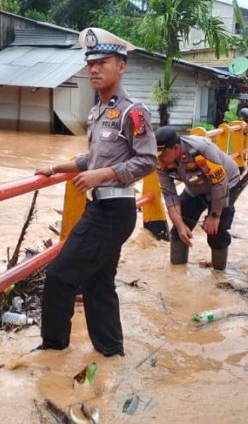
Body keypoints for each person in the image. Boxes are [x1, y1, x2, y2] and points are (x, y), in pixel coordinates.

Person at [34, 27, 156, 357]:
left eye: (102, 62)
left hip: (114, 211)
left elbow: (147, 160)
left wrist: (103, 174)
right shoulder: (97, 111)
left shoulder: (134, 112)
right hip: (99, 209)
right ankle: (111, 352)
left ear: (122, 66)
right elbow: (94, 158)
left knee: (59, 275)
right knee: (98, 283)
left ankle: (52, 351)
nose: (94, 69)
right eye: (90, 63)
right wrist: (57, 168)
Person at [154, 127, 243, 271]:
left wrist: (215, 215)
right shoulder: (160, 162)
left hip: (226, 184)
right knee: (178, 232)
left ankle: (219, 276)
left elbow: (219, 183)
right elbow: (170, 195)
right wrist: (180, 225)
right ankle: (177, 274)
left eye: (162, 154)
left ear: (176, 148)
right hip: (195, 188)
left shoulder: (201, 149)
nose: (159, 159)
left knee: (216, 231)